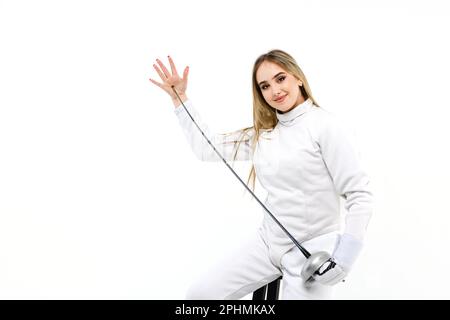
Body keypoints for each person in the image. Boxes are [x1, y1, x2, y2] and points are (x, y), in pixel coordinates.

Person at [149, 49, 373, 300]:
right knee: (200, 296)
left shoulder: (325, 126)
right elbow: (207, 148)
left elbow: (359, 195)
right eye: (265, 86)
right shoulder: (264, 134)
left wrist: (344, 259)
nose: (275, 91)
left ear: (297, 77)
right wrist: (180, 99)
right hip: (268, 244)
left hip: (312, 252)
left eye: (280, 79)